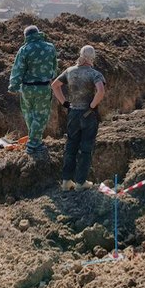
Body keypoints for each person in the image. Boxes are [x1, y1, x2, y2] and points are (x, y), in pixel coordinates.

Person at [51, 45, 106, 191]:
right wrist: (93, 106)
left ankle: (66, 181)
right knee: (86, 149)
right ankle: (81, 182)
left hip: (73, 113)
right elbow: (100, 91)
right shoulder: (94, 74)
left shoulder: (69, 71)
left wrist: (64, 103)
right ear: (92, 58)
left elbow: (55, 85)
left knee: (71, 147)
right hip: (88, 115)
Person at [8, 25, 58, 160]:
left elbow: (18, 69)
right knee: (40, 116)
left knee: (29, 114)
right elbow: (55, 69)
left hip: (27, 88)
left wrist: (13, 86)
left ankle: (34, 142)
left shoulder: (24, 49)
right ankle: (34, 143)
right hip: (43, 88)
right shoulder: (50, 47)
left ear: (26, 36)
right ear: (38, 33)